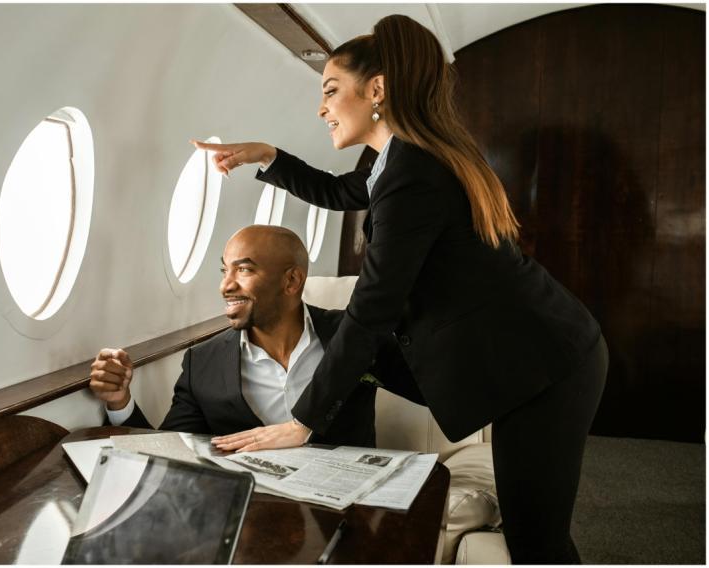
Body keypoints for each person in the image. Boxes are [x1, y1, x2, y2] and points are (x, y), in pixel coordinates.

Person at [192, 14, 608, 564]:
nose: (322, 107)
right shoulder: (398, 161)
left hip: (544, 366)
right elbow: (341, 190)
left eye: (332, 90)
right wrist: (268, 156)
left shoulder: (413, 172)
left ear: (377, 91)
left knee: (536, 539)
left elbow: (373, 308)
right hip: (521, 354)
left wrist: (303, 422)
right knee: (532, 529)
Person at [89, 224, 412, 447]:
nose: (226, 286)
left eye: (243, 270)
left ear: (291, 281)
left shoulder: (354, 335)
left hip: (349, 516)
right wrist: (120, 402)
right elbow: (170, 452)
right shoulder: (203, 362)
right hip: (255, 520)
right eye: (224, 270)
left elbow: (429, 386)